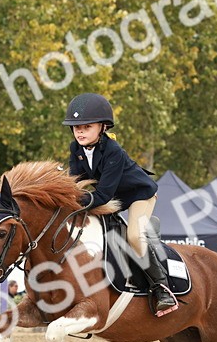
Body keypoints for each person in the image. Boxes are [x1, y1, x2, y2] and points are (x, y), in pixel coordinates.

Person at [63, 92, 178, 316]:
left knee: (133, 236)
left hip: (139, 195)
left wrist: (74, 201)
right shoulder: (75, 150)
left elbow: (103, 194)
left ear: (103, 127)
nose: (80, 131)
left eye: (86, 126)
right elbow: (76, 184)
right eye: (76, 127)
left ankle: (161, 287)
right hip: (114, 197)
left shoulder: (113, 151)